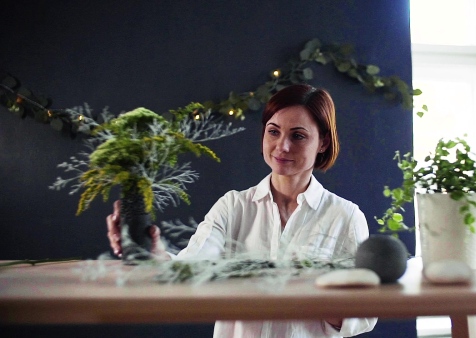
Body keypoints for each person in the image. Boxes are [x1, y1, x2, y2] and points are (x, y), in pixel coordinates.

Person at [107, 84, 377, 337]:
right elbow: (190, 271)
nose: (282, 146)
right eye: (274, 131)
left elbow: (366, 312)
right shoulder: (233, 207)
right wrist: (151, 254)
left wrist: (313, 296)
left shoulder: (345, 217)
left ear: (323, 143)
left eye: (298, 135)